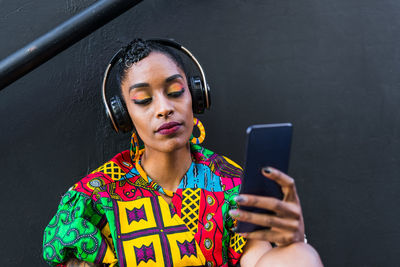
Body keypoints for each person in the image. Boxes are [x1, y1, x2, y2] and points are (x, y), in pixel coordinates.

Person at [42, 39, 323, 267]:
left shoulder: (231, 185)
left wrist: (292, 244)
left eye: (175, 91)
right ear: (123, 116)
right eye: (143, 100)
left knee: (301, 257)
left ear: (196, 97)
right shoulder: (95, 197)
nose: (164, 108)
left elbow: (258, 258)